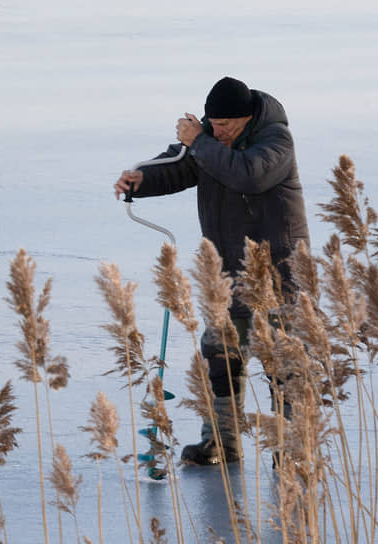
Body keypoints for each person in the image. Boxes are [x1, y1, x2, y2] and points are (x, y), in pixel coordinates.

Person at [113, 76, 310, 465]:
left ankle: (292, 451)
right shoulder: (210, 142)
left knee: (282, 365)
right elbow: (178, 167)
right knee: (220, 356)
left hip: (277, 275)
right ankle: (221, 443)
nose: (218, 133)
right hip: (227, 273)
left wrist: (199, 141)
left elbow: (247, 175)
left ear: (248, 118)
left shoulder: (275, 142)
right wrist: (141, 181)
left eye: (227, 128)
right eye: (213, 125)